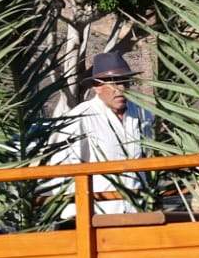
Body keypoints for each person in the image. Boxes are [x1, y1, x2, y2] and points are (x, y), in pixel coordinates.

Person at [58, 51, 150, 217]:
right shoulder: (80, 117)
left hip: (138, 209)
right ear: (97, 87)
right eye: (113, 83)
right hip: (97, 214)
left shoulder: (143, 114)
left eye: (124, 82)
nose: (120, 89)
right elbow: (67, 168)